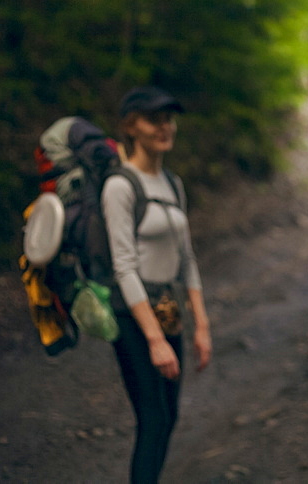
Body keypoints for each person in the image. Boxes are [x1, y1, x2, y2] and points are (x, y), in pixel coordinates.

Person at [102, 85, 212, 484]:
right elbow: (124, 267)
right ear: (132, 126)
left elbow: (187, 260)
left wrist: (200, 325)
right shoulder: (120, 186)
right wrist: (153, 339)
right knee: (153, 418)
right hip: (134, 317)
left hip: (170, 310)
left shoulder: (172, 183)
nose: (166, 127)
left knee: (169, 417)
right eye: (155, 119)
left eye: (169, 118)